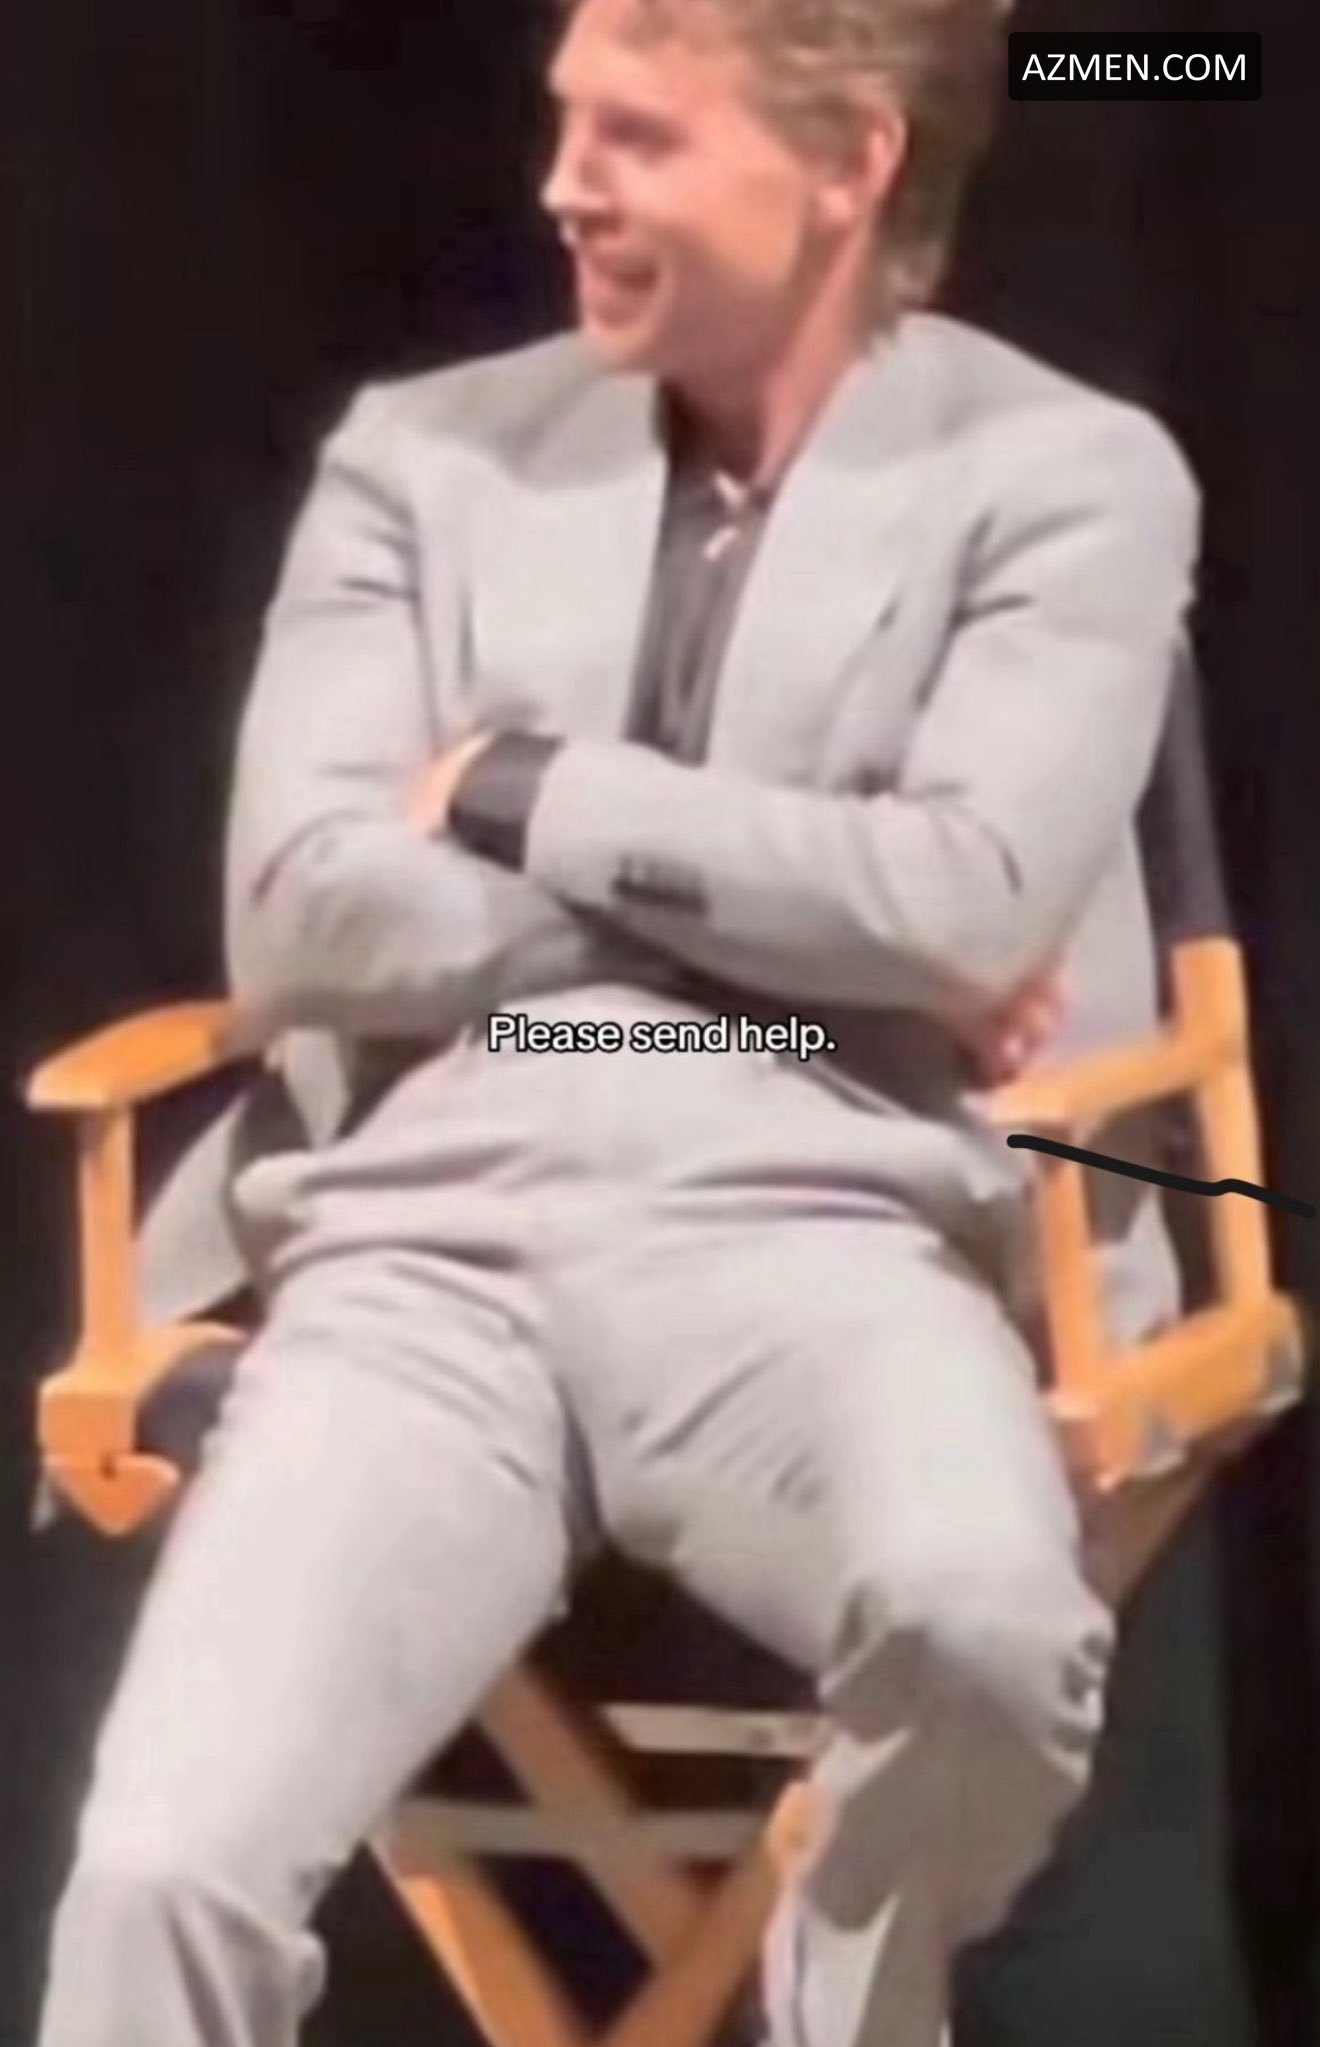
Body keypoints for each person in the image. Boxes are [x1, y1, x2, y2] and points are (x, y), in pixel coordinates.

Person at [35, 0, 1200, 2042]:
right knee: (156, 1870)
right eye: (567, 124)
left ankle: (848, 2012)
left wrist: (519, 786)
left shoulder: (1066, 473)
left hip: (830, 1232)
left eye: (640, 137)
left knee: (987, 1629)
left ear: (847, 162)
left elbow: (968, 896)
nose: (563, 185)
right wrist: (803, 926)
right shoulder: (419, 458)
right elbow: (296, 909)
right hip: (418, 1248)